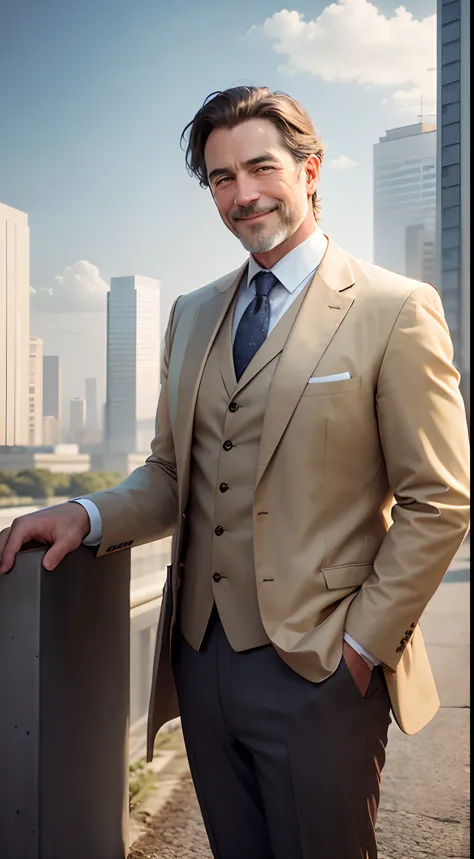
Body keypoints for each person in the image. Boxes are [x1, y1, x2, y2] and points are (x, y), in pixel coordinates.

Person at [0, 86, 470, 859]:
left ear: (310, 169)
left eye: (260, 167)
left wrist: (360, 646)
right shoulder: (191, 313)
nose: (243, 194)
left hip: (321, 668)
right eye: (222, 178)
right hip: (201, 667)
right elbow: (167, 476)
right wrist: (83, 515)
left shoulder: (395, 308)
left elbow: (439, 500)